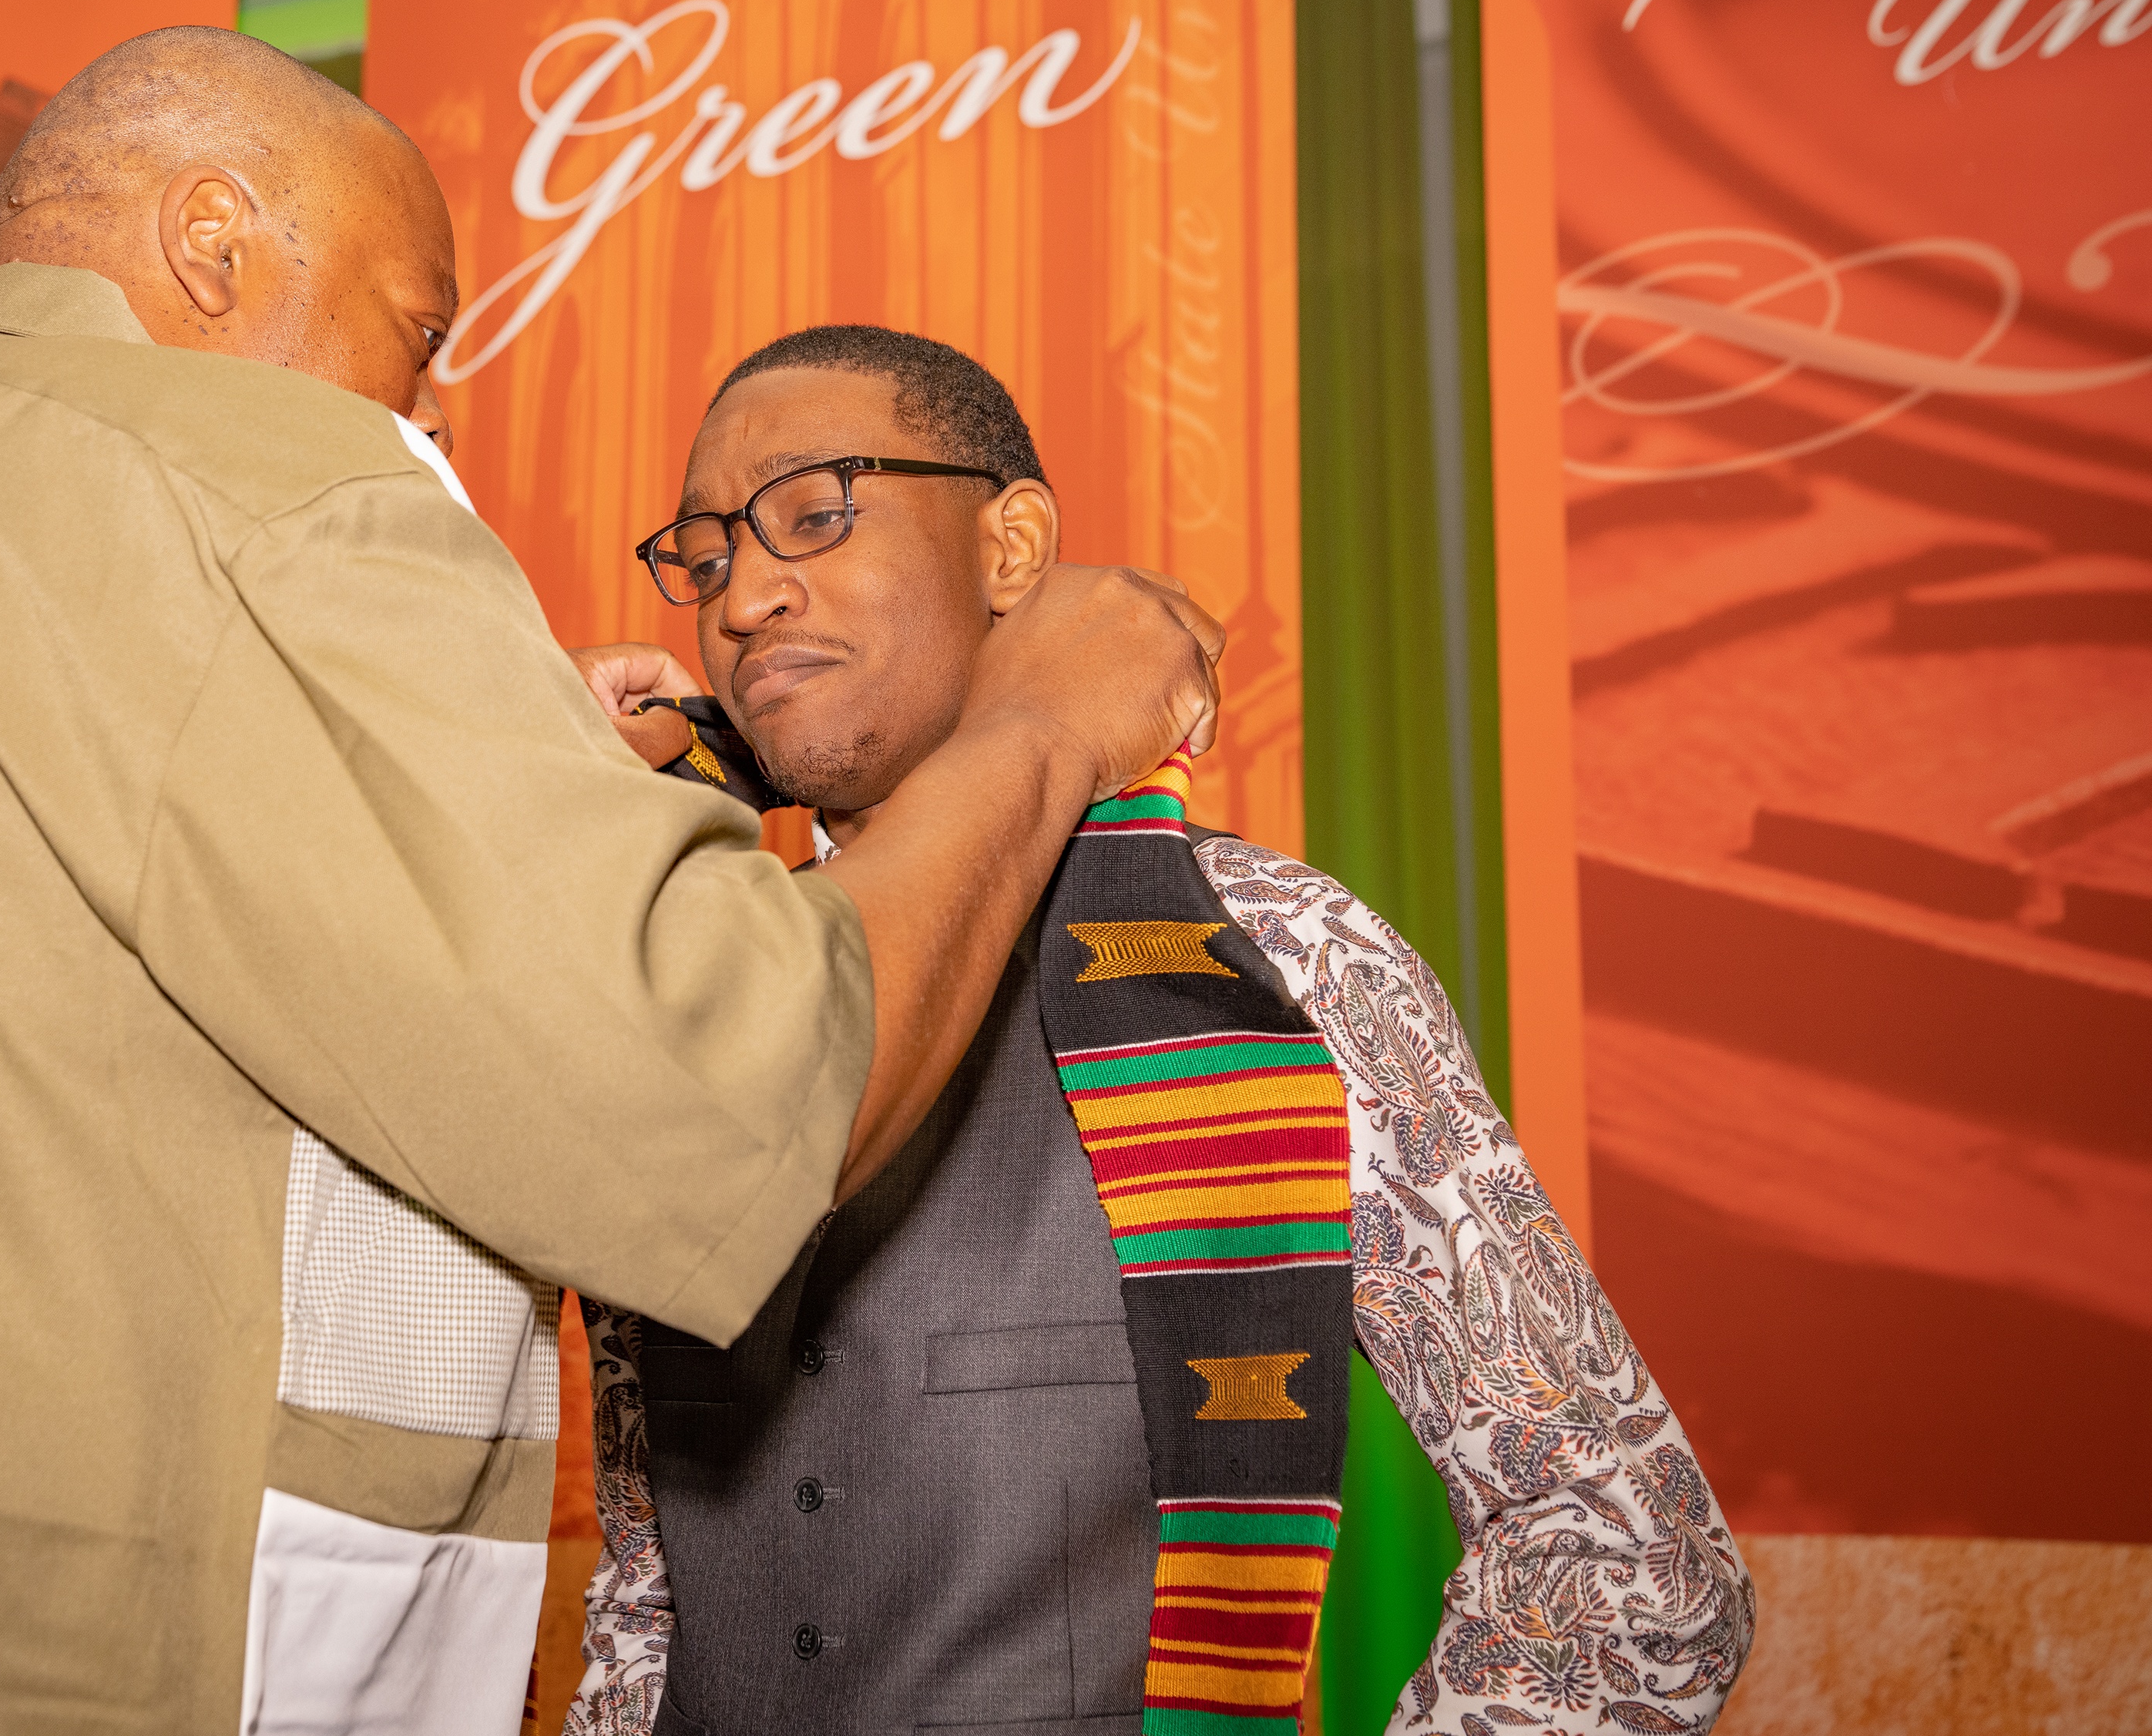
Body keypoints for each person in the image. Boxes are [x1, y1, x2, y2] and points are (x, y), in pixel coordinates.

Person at [0, 37, 1230, 1736]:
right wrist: (1038, 723)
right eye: (420, 333)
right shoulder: (259, 485)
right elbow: (721, 1096)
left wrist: (489, 783)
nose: (427, 411)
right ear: (216, 244)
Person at [562, 327, 1756, 1736]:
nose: (746, 592)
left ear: (1013, 547)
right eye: (704, 553)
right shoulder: (691, 985)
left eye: (816, 514)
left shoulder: (1275, 957)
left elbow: (1632, 1558)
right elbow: (649, 1596)